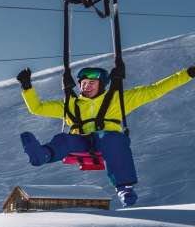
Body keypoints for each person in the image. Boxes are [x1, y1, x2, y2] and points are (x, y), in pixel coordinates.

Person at [17, 63, 193, 206]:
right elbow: (37, 108)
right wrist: (27, 87)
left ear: (102, 84)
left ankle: (124, 187)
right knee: (64, 139)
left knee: (111, 138)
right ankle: (43, 154)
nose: (86, 87)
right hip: (81, 142)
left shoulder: (117, 99)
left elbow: (155, 90)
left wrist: (188, 74)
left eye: (91, 83)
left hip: (107, 140)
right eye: (83, 83)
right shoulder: (71, 104)